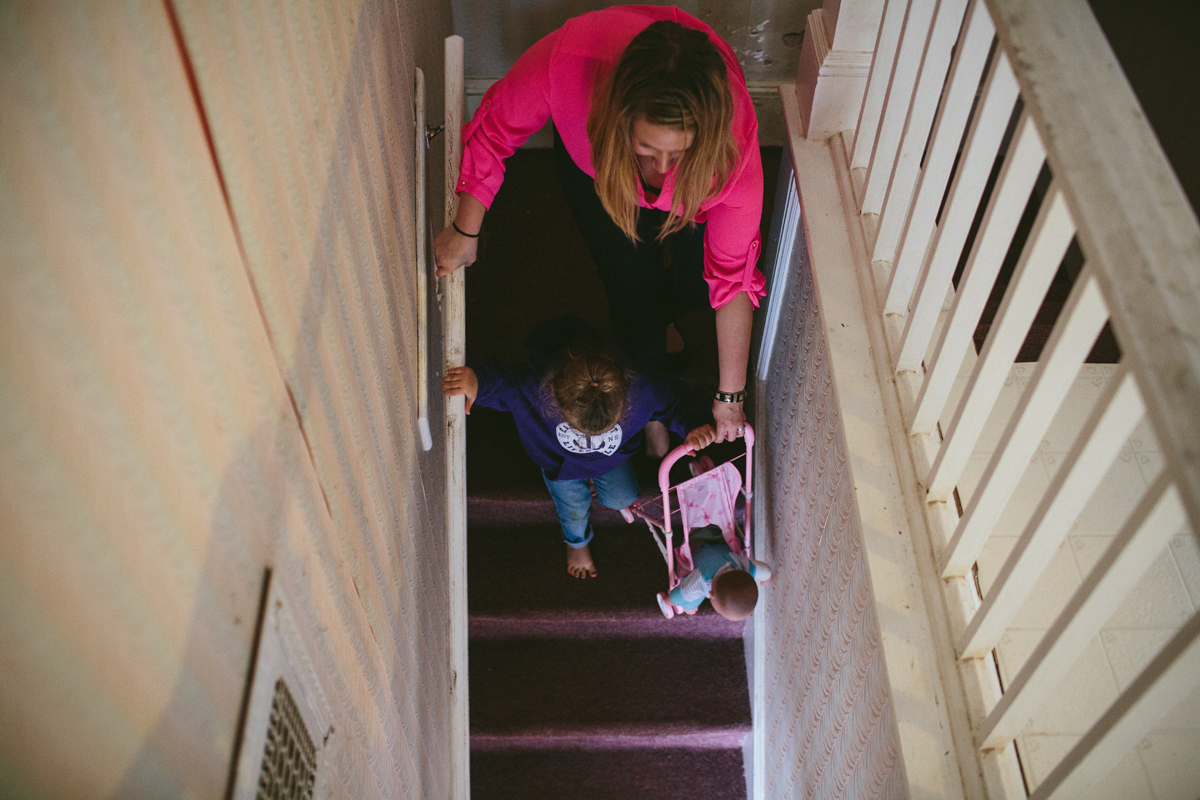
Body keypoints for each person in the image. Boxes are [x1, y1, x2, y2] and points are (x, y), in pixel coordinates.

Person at [434, 6, 764, 445]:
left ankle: (665, 320)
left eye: (676, 152)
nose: (660, 169)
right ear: (619, 116)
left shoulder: (732, 147)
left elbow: (732, 279)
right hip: (597, 176)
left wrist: (730, 397)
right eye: (645, 148)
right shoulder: (567, 62)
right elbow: (496, 130)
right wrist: (465, 231)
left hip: (701, 191)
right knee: (631, 288)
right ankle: (650, 409)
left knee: (698, 284)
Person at [442, 318, 716, 579]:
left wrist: (694, 424)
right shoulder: (535, 387)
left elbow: (676, 399)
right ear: (552, 393)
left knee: (622, 498)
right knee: (573, 507)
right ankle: (577, 542)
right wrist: (477, 380)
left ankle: (646, 425)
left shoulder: (641, 388)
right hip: (560, 463)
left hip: (612, 458)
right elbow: (504, 381)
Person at [658, 524, 772, 620]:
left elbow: (765, 570)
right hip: (697, 547)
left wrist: (767, 578)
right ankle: (688, 607)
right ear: (711, 594)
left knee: (723, 554)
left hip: (720, 545)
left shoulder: (744, 566)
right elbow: (680, 594)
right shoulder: (702, 580)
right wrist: (667, 601)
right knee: (689, 603)